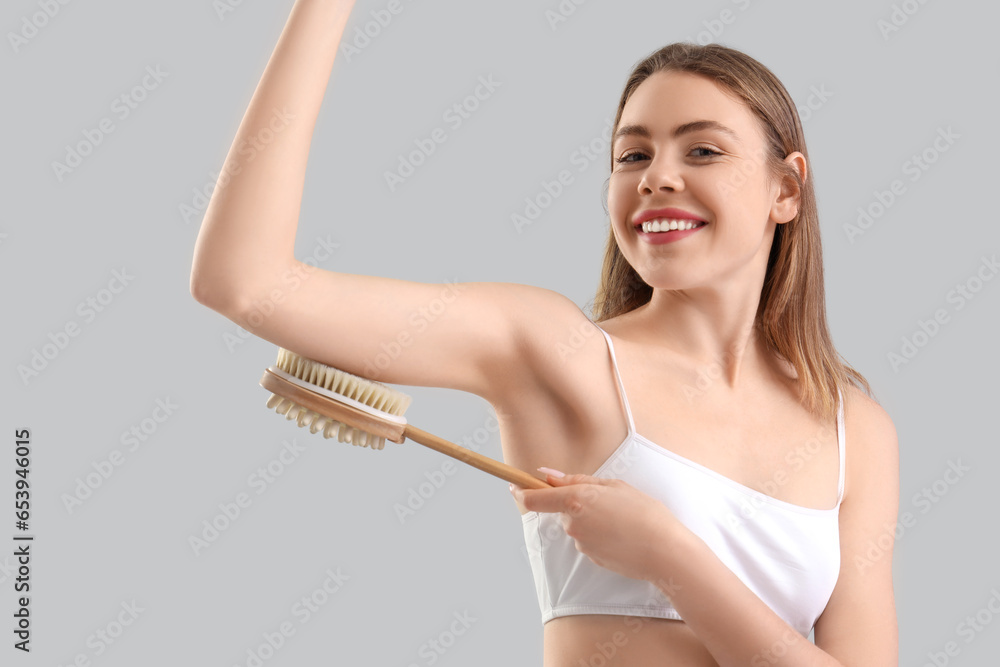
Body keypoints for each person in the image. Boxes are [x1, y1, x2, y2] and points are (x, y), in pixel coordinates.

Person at [190, 1, 899, 664]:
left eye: (702, 151)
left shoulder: (853, 431)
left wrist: (667, 555)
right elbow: (244, 281)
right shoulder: (557, 353)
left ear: (787, 189)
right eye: (632, 155)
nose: (657, 177)